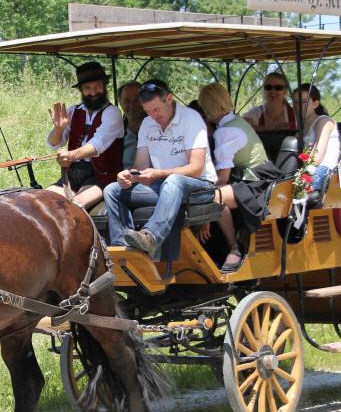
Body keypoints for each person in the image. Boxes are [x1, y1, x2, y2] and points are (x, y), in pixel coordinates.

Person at [102, 79, 216, 262]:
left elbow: (196, 168)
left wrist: (159, 174)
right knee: (112, 190)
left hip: (200, 187)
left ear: (169, 99)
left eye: (156, 109)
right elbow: (140, 165)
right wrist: (129, 175)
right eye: (148, 111)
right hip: (164, 186)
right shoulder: (147, 124)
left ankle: (151, 237)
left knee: (173, 180)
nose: (153, 116)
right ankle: (122, 251)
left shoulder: (191, 119)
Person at [196, 83, 270, 273]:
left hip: (255, 183)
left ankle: (235, 247)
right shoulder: (237, 121)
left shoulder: (225, 132)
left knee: (214, 196)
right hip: (262, 177)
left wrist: (206, 214)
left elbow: (222, 178)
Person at [47, 61, 124, 208]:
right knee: (43, 201)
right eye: (87, 88)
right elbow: (53, 144)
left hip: (101, 176)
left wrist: (71, 155)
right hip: (71, 174)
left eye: (97, 86)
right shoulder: (73, 111)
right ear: (81, 90)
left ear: (105, 86)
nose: (93, 92)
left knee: (75, 206)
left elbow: (97, 145)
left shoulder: (112, 112)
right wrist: (58, 129)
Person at [295, 83, 340, 191]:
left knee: (296, 190)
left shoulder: (323, 122)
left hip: (324, 170)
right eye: (296, 102)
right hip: (307, 168)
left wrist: (302, 174)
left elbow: (317, 157)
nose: (299, 105)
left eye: (304, 102)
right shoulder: (300, 126)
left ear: (315, 103)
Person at [118, 81, 144, 169]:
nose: (132, 105)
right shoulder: (116, 133)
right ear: (120, 103)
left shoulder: (160, 127)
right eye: (127, 101)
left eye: (136, 100)